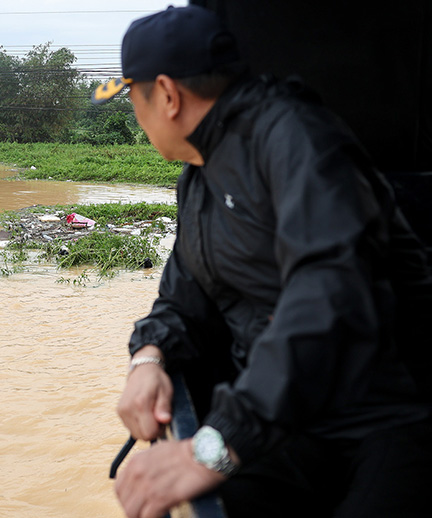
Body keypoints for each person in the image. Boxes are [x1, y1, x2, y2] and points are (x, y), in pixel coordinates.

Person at [93, 5, 432, 518]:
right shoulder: (199, 175)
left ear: (166, 95)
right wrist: (149, 357)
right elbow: (183, 297)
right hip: (290, 417)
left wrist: (219, 442)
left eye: (133, 99)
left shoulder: (294, 138)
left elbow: (327, 293)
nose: (137, 119)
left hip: (383, 417)